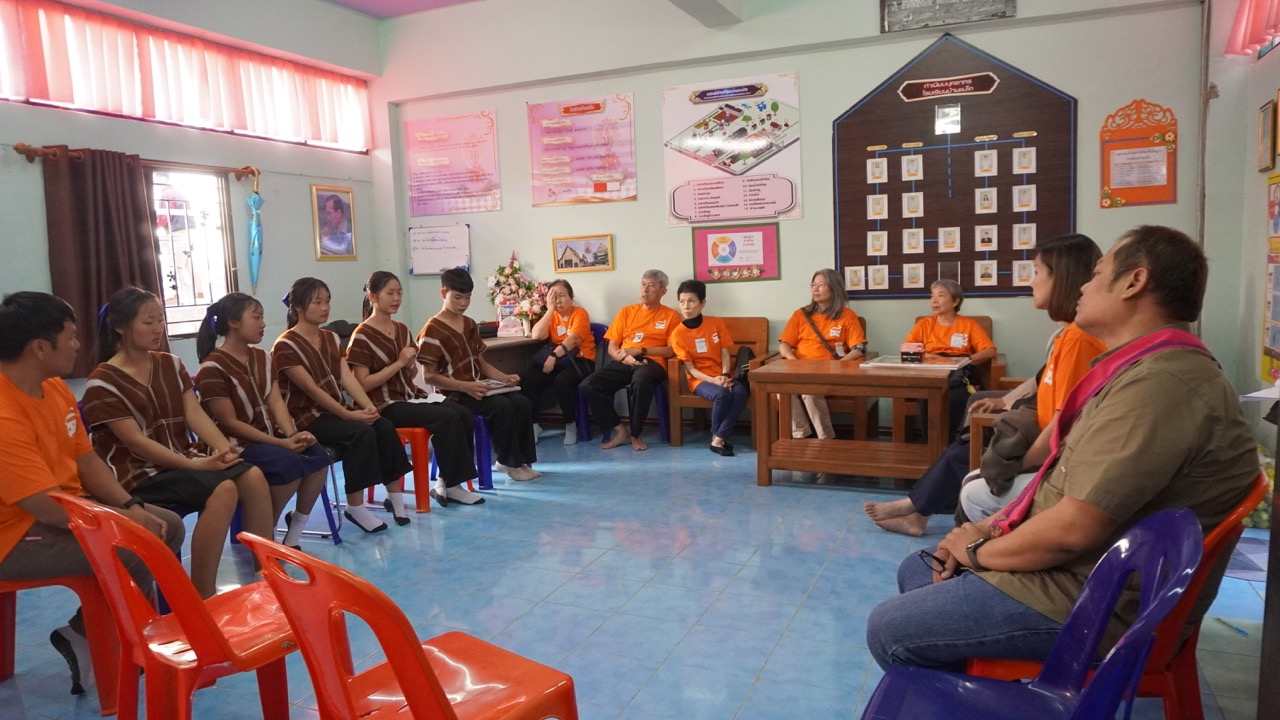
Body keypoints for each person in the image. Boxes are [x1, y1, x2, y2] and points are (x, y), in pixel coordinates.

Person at [865, 225, 1259, 671]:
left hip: (1097, 595)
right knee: (918, 570)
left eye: (1098, 273)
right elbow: (1061, 486)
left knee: (890, 628)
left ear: (1134, 282)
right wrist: (983, 531)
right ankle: (978, 681)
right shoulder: (1138, 368)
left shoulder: (1160, 384)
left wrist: (976, 549)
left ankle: (984, 685)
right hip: (1084, 568)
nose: (1084, 287)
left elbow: (1073, 530)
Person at [0, 291, 184, 696]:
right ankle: (132, 660)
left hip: (65, 508)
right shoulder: (4, 413)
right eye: (70, 335)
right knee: (132, 548)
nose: (78, 344)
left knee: (166, 524)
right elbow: (46, 507)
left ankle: (85, 634)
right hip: (14, 533)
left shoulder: (55, 388)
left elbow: (87, 462)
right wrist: (121, 523)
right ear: (40, 347)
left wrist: (130, 505)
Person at [864, 234, 1105, 536]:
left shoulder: (1076, 339)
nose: (1030, 281)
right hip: (1017, 412)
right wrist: (1004, 401)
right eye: (932, 295)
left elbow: (1062, 418)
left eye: (1036, 272)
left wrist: (1019, 463)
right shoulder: (925, 324)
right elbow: (1042, 378)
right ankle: (920, 506)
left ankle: (917, 507)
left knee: (965, 421)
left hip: (1034, 430)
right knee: (970, 418)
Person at [82, 287, 272, 600]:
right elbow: (135, 442)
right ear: (120, 327)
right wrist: (196, 465)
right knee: (224, 489)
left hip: (183, 459)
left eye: (161, 320)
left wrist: (223, 449)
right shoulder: (103, 381)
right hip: (139, 472)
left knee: (253, 476)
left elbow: (194, 413)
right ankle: (203, 595)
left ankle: (265, 575)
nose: (158, 329)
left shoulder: (170, 363)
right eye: (148, 322)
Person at [194, 293, 334, 547]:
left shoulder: (262, 357)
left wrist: (292, 435)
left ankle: (293, 532)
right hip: (237, 445)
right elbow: (229, 423)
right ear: (233, 323)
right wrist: (280, 443)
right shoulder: (212, 368)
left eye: (262, 318)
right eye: (256, 318)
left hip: (269, 437)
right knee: (287, 466)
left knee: (318, 456)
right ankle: (265, 531)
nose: (263, 324)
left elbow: (276, 401)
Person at [273, 277, 412, 533]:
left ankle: (396, 499)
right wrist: (349, 416)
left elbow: (346, 378)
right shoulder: (285, 344)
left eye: (327, 301)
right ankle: (355, 506)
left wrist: (368, 407)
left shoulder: (330, 338)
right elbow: (312, 390)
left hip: (333, 412)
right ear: (299, 307)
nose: (325, 307)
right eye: (317, 302)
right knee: (360, 432)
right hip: (305, 417)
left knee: (382, 425)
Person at [348, 271, 483, 508]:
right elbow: (363, 384)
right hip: (384, 404)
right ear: (373, 297)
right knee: (446, 417)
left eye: (399, 293)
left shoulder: (401, 329)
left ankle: (446, 482)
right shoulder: (361, 335)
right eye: (390, 293)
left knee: (462, 413)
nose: (396, 298)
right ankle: (453, 486)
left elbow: (409, 376)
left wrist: (409, 367)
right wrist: (399, 363)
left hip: (409, 396)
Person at [416, 268, 539, 481]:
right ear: (443, 293)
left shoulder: (469, 324)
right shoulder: (432, 329)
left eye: (468, 297)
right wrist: (465, 387)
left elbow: (480, 362)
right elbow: (429, 376)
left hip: (478, 387)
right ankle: (507, 462)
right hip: (454, 393)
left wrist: (504, 378)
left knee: (522, 402)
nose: (463, 303)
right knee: (502, 406)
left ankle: (520, 461)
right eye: (458, 297)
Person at [579, 269, 682, 451]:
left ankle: (636, 434)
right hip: (624, 360)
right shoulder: (626, 312)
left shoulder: (671, 316)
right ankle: (621, 432)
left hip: (652, 362)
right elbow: (612, 345)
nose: (645, 289)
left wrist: (641, 350)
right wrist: (623, 357)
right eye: (643, 284)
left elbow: (671, 350)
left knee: (640, 381)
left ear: (662, 291)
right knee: (588, 385)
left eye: (651, 286)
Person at [777, 269, 867, 439]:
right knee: (782, 390)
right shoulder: (801, 314)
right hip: (800, 368)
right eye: (813, 285)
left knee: (810, 391)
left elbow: (859, 348)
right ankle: (801, 435)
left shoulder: (847, 316)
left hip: (828, 371)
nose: (815, 289)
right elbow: (784, 344)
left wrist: (840, 364)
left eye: (820, 285)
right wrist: (793, 360)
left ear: (834, 288)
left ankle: (826, 438)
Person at [902, 279, 998, 435]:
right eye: (932, 295)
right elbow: (907, 348)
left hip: (959, 370)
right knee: (927, 393)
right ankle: (930, 440)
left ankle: (955, 439)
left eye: (940, 295)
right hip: (931, 370)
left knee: (957, 395)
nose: (934, 300)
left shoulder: (968, 324)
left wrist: (965, 361)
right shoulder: (924, 324)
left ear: (955, 301)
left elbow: (990, 351)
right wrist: (929, 357)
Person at [668, 280, 749, 456]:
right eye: (682, 301)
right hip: (700, 380)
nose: (686, 306)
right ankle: (718, 438)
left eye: (691, 301)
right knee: (722, 395)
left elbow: (725, 352)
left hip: (722, 375)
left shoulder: (715, 323)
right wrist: (713, 380)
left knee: (740, 392)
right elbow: (690, 369)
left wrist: (724, 375)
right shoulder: (677, 334)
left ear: (702, 303)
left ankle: (718, 438)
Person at [518, 279, 595, 446]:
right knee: (529, 380)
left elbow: (573, 340)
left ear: (571, 297)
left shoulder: (580, 313)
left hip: (581, 361)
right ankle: (534, 425)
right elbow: (537, 335)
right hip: (559, 362)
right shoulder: (552, 315)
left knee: (562, 381)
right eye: (554, 297)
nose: (558, 301)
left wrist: (553, 355)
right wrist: (550, 309)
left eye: (562, 296)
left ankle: (570, 425)